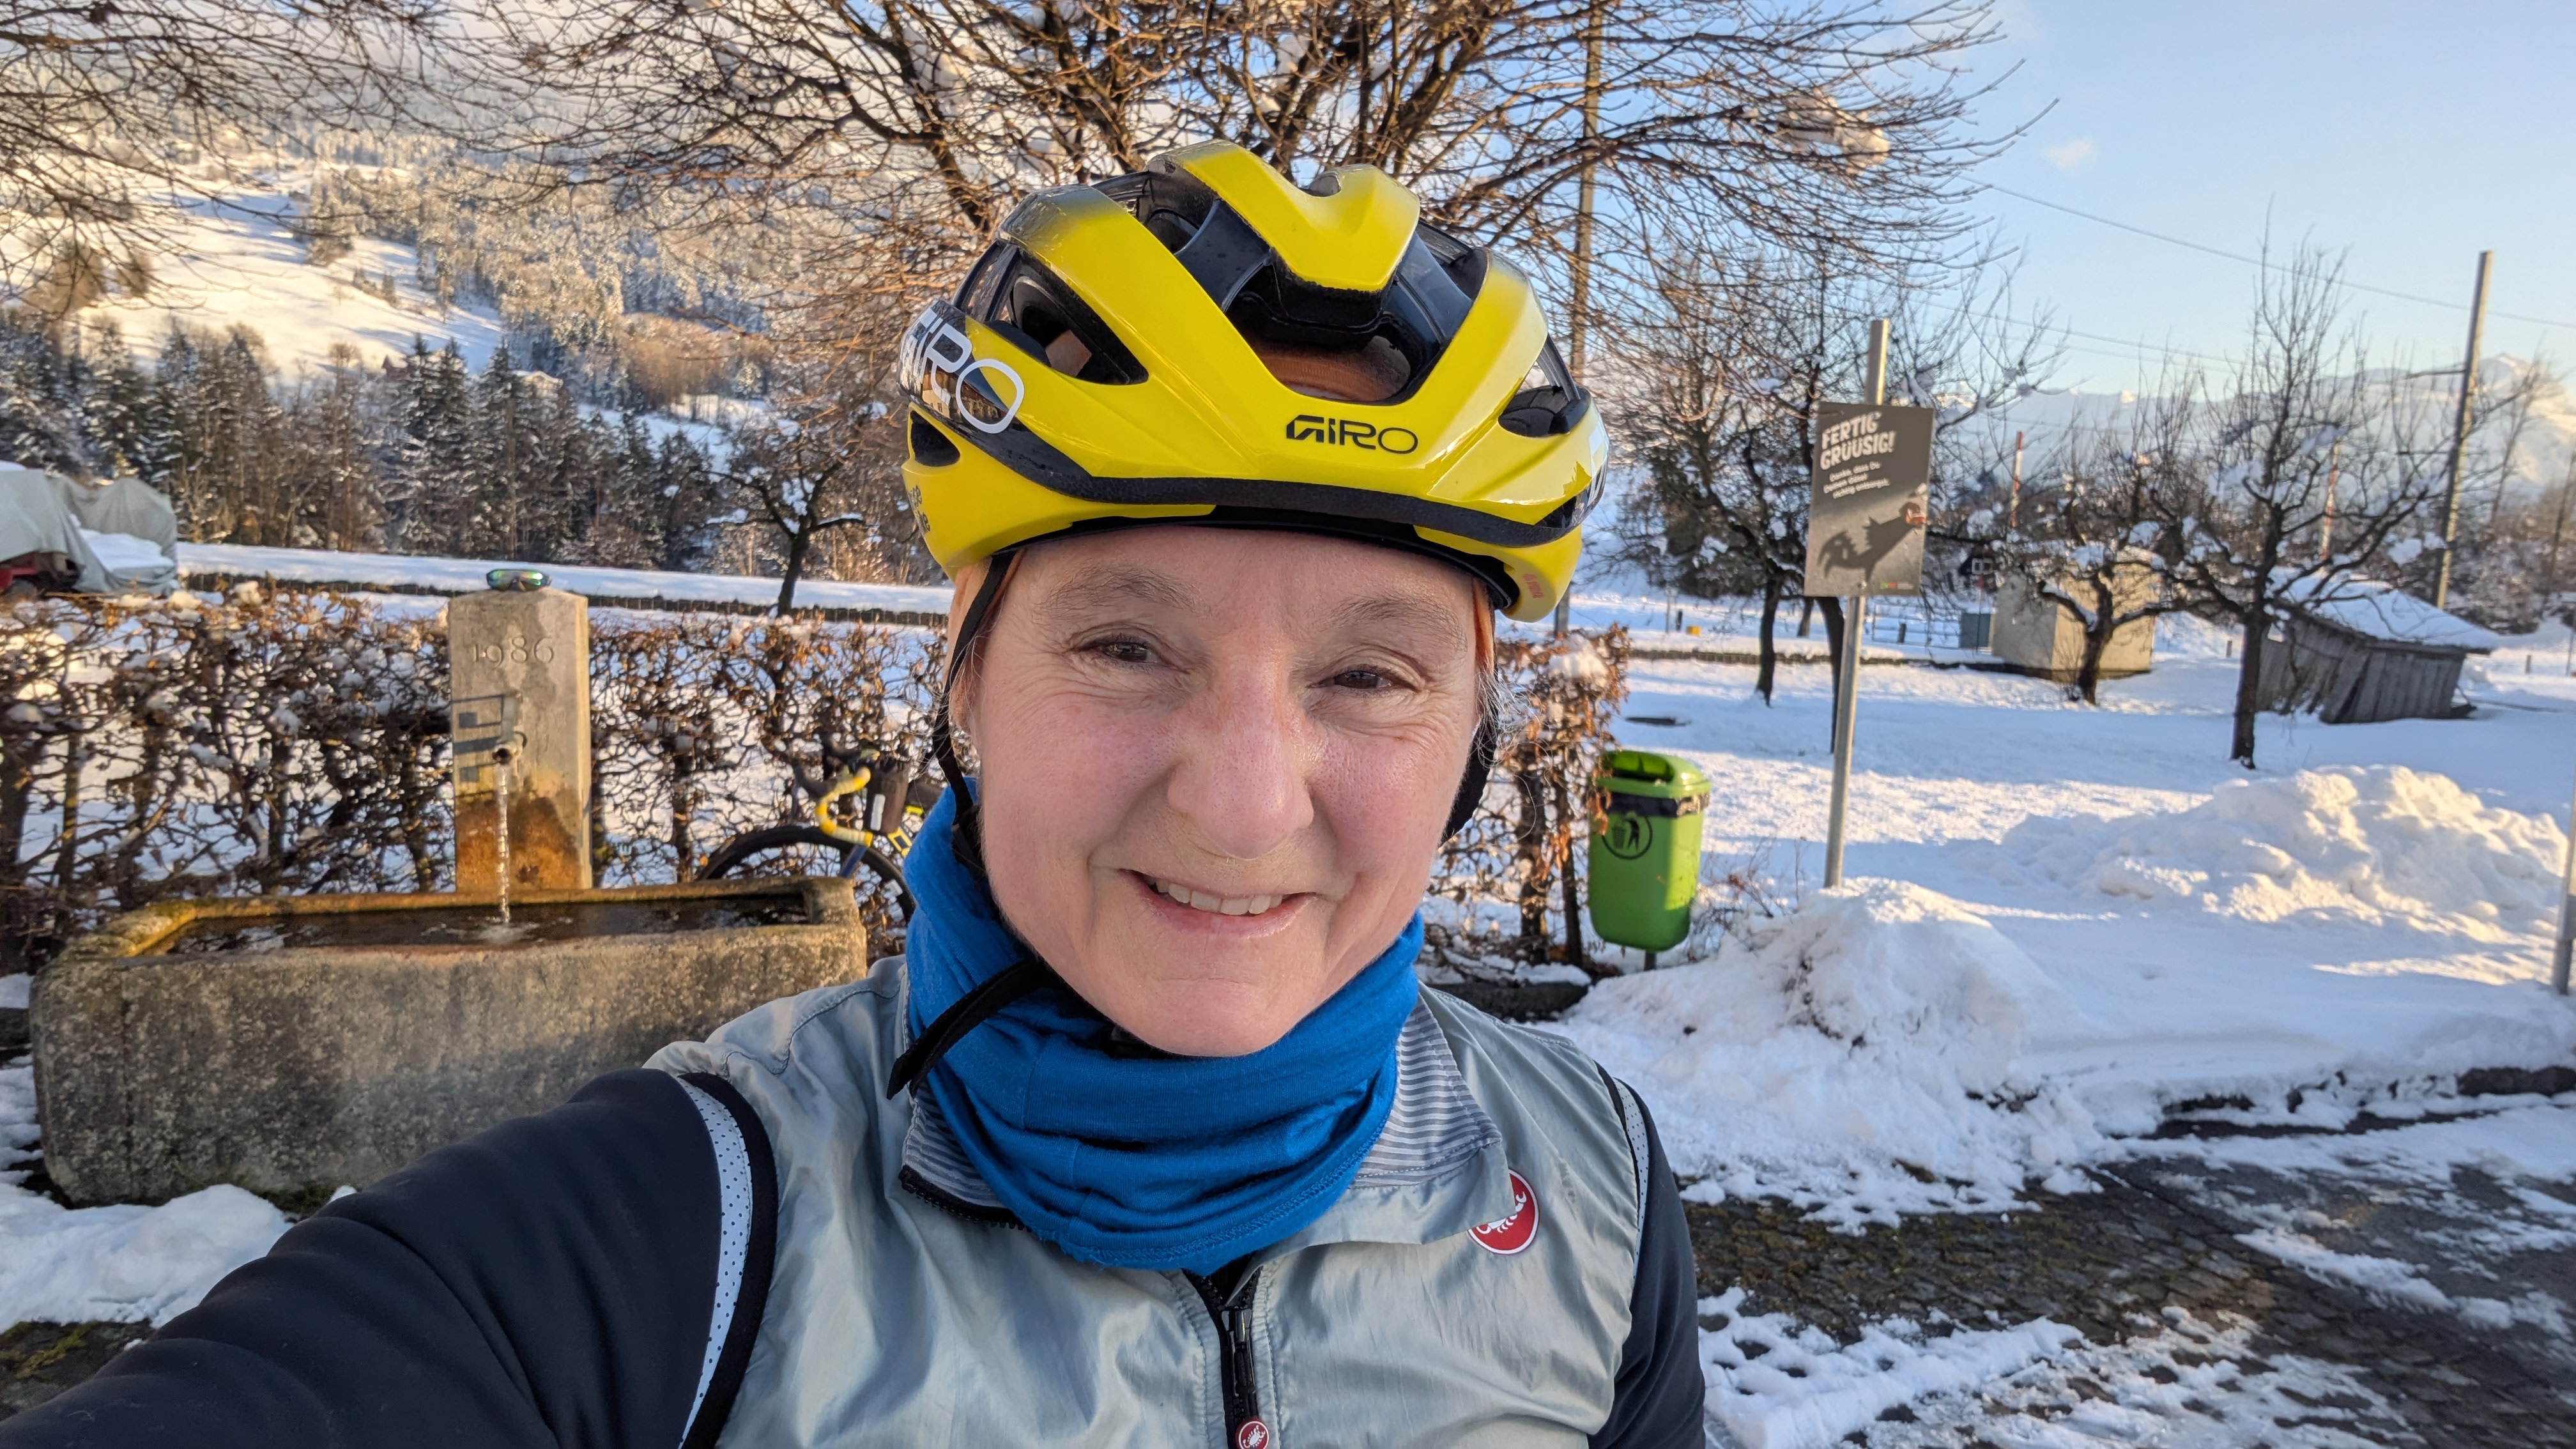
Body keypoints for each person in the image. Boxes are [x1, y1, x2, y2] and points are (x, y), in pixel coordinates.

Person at [0, 142, 1703, 1447]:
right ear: (966, 668)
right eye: (1125, 646)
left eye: (1370, 674)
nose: (1246, 802)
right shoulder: (689, 1233)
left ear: (1477, 729)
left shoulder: (1593, 1196)